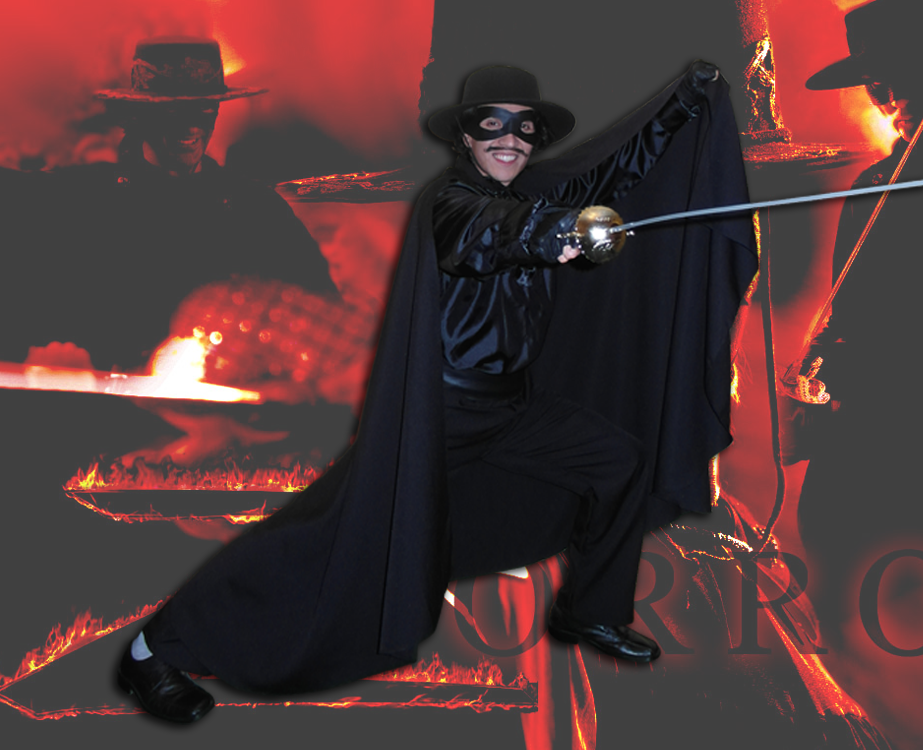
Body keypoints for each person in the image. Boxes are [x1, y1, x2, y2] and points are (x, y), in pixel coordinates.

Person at [117, 62, 756, 723]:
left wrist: (684, 102)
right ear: (466, 137)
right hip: (436, 416)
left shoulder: (534, 194)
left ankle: (590, 610)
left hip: (512, 408)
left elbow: (612, 170)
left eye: (524, 128)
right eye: (492, 126)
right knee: (322, 537)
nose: (509, 140)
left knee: (618, 461)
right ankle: (151, 650)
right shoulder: (450, 203)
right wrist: (559, 233)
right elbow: (491, 234)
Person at [785, 0, 923, 642]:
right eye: (875, 84)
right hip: (868, 448)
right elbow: (849, 315)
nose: (886, 99)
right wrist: (820, 370)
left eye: (904, 75)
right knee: (832, 587)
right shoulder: (873, 186)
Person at [5, 36, 337, 373]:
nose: (190, 125)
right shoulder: (84, 198)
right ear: (142, 112)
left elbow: (323, 318)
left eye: (204, 108)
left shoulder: (258, 211)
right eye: (173, 109)